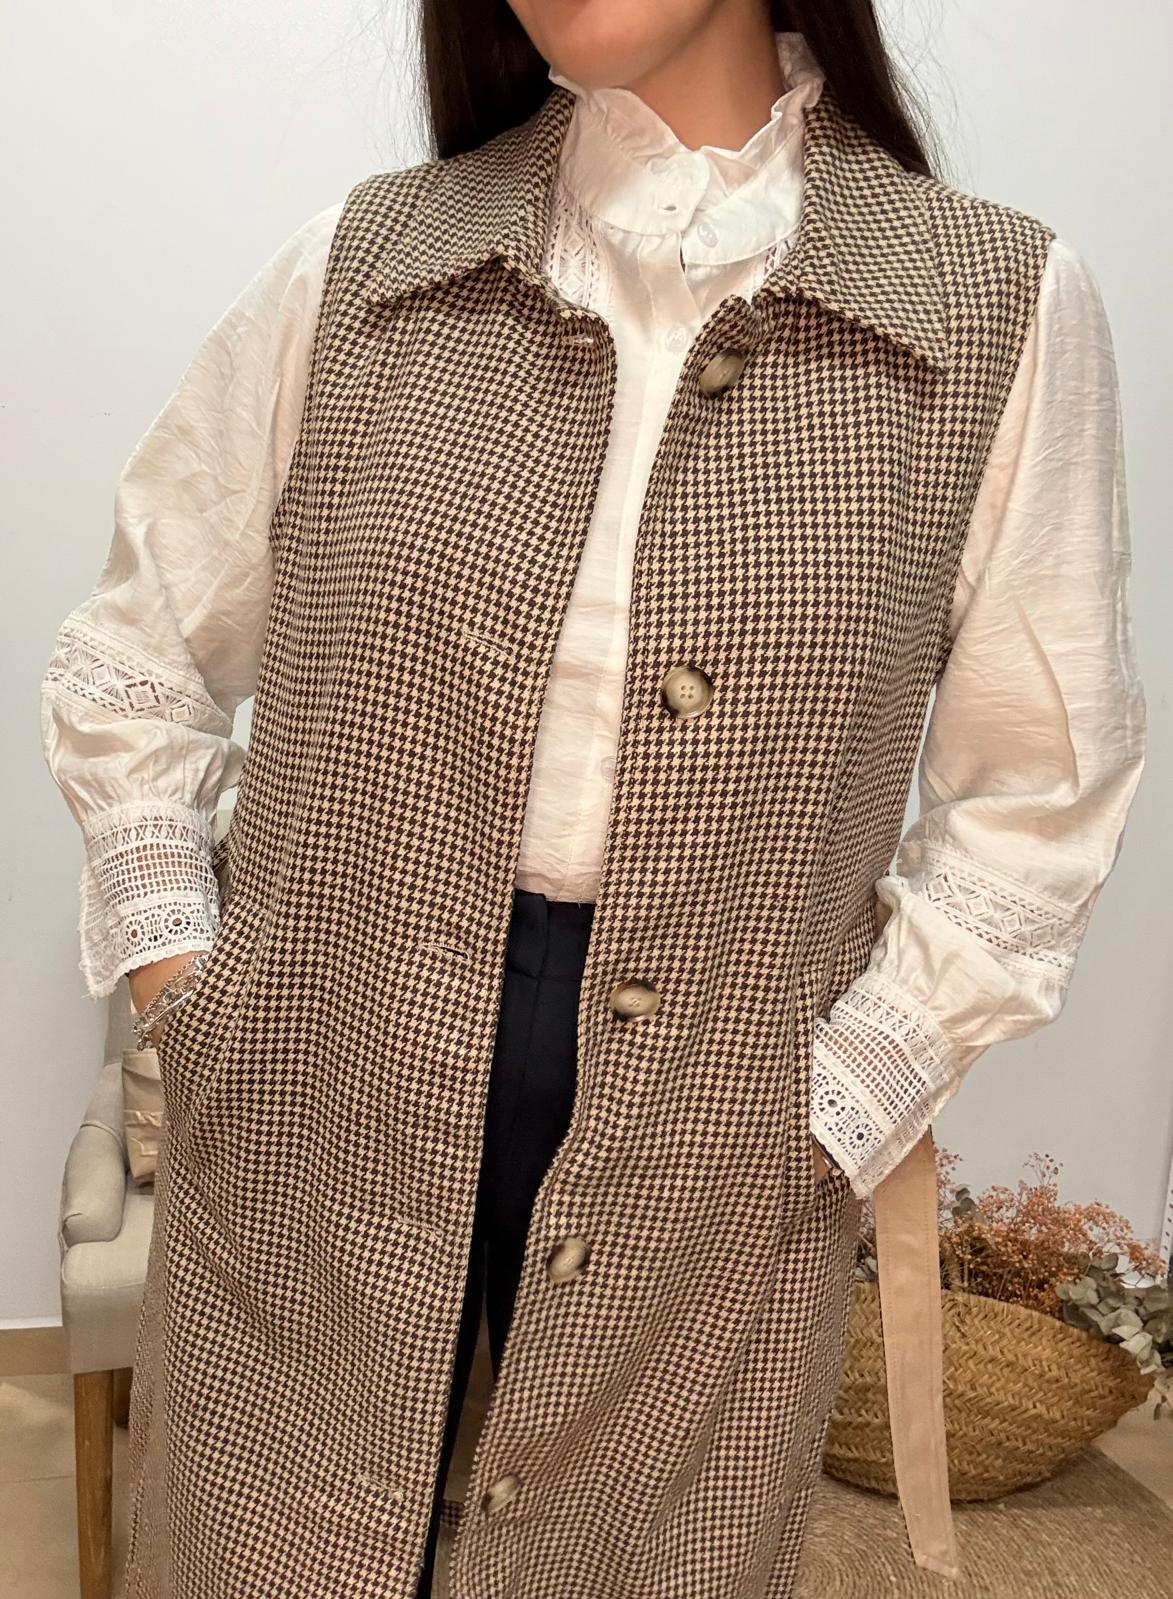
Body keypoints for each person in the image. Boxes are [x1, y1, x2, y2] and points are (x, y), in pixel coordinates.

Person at [40, 3, 1145, 1596]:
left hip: (719, 1094)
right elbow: (137, 654)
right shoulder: (366, 266)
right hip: (327, 1038)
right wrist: (185, 985)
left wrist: (838, 1102)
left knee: (639, 1548)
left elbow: (1036, 787)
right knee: (268, 1531)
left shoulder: (989, 306)